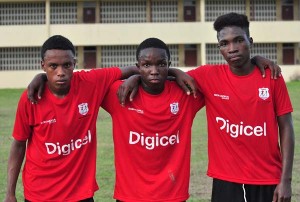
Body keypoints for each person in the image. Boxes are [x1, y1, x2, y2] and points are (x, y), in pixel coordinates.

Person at [4, 35, 142, 202]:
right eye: (53, 66)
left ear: (74, 64)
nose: (60, 72)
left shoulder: (91, 82)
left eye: (66, 65)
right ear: (43, 66)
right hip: (40, 195)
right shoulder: (30, 99)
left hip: (80, 194)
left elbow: (140, 69)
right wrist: (10, 194)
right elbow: (18, 145)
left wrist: (139, 77)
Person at [185, 13, 294, 202]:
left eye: (238, 40)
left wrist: (286, 180)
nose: (232, 48)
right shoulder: (208, 76)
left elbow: (286, 127)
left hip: (267, 178)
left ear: (250, 41)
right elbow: (161, 73)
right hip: (226, 180)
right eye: (224, 43)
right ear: (219, 47)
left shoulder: (272, 77)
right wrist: (135, 77)